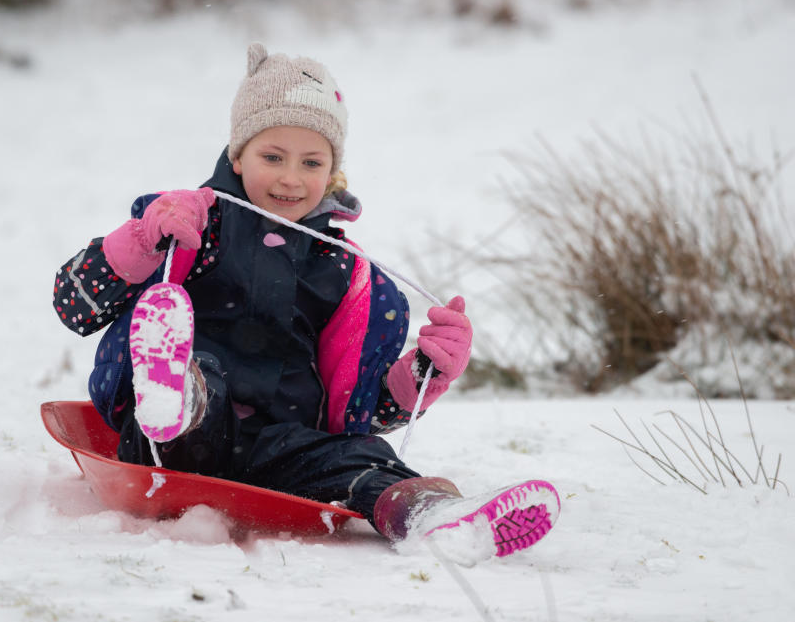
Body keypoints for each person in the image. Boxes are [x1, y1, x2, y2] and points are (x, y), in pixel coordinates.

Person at [53, 43, 559, 561]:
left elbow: (362, 409)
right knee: (201, 377)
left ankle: (432, 514)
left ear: (332, 171)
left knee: (362, 455)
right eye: (272, 157)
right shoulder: (186, 226)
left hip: (285, 446)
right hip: (174, 441)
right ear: (236, 155)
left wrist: (423, 373)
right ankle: (174, 392)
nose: (291, 178)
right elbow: (74, 305)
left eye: (311, 162)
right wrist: (142, 240)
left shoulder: (343, 272)